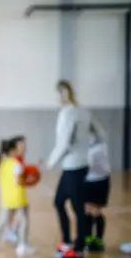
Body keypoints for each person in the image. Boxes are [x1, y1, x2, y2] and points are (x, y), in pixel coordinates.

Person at [47, 80, 106, 258]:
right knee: (62, 203)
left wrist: (50, 163)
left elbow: (63, 143)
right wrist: (85, 147)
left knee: (75, 207)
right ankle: (69, 242)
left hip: (73, 167)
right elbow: (101, 134)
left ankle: (77, 247)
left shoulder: (67, 113)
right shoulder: (83, 111)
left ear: (61, 94)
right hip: (79, 165)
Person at [0, 137, 37, 256]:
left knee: (3, 220)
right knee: (24, 221)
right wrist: (30, 180)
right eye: (18, 148)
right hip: (18, 197)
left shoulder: (2, 163)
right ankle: (23, 246)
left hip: (6, 197)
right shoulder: (16, 164)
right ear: (12, 151)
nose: (21, 150)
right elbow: (18, 181)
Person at [84, 125, 110, 252]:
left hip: (97, 181)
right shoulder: (98, 142)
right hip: (96, 179)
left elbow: (86, 163)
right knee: (89, 210)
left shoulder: (95, 146)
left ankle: (97, 240)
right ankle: (90, 239)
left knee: (94, 210)